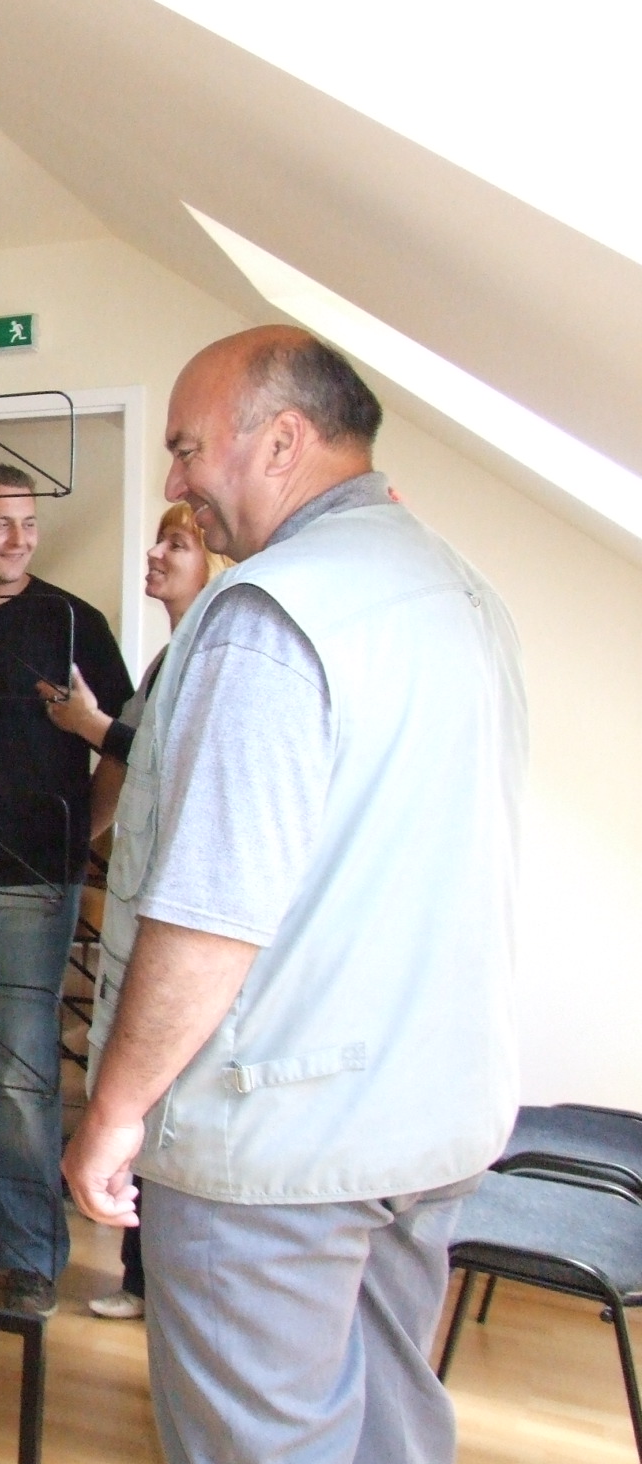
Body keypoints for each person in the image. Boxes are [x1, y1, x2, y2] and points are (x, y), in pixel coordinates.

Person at [62, 328, 525, 1463]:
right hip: (426, 1117)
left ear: (281, 441)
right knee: (389, 1427)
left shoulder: (272, 615)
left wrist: (114, 1108)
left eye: (185, 448)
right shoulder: (459, 591)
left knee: (261, 1442)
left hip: (277, 1141)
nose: (174, 482)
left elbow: (210, 910)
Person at [0, 463, 133, 1315]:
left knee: (19, 1074)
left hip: (33, 883)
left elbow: (123, 742)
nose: (19, 539)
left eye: (29, 524)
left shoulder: (72, 623)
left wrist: (81, 834)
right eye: (1, 523)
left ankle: (33, 1250)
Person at [39, 501, 231, 1320]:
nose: (155, 554)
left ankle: (168, 1287)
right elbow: (132, 775)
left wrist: (91, 726)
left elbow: (176, 762)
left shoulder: (216, 658)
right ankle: (143, 1279)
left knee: (163, 1092)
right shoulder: (165, 662)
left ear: (214, 562)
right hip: (140, 901)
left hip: (181, 914)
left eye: (176, 544)